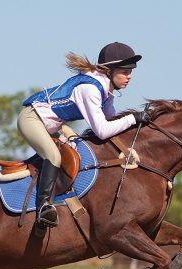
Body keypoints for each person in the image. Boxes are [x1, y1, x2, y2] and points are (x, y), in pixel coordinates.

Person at [18, 41, 151, 232]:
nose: (129, 77)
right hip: (31, 119)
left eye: (131, 72)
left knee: (76, 151)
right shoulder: (90, 89)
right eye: (125, 71)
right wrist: (132, 118)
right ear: (109, 70)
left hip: (54, 125)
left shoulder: (105, 91)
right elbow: (102, 130)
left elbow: (111, 123)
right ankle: (44, 208)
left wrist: (139, 123)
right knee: (54, 157)